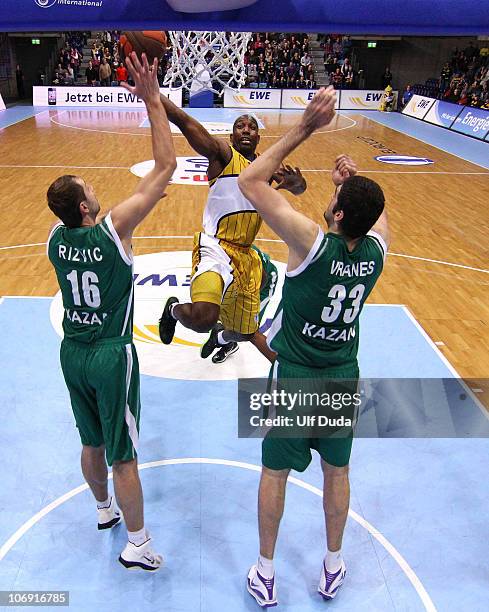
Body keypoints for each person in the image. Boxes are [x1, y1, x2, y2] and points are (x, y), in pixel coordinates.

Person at [237, 87, 390, 606]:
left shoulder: (310, 241)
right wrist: (352, 187)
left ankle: (265, 570)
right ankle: (332, 563)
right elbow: (379, 223)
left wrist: (305, 127)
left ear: (340, 216)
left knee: (274, 471)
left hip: (298, 374)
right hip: (342, 375)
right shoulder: (375, 254)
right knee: (338, 471)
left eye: (337, 202)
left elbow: (250, 180)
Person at [46, 53, 176, 571]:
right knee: (124, 453)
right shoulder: (111, 228)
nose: (95, 188)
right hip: (108, 355)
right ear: (84, 207)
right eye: (88, 189)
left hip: (71, 352)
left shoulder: (57, 237)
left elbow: (113, 225)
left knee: (90, 439)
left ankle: (104, 511)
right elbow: (164, 167)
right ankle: (139, 543)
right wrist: (151, 99)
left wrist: (135, 217)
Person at [156, 95, 305, 357]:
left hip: (246, 254)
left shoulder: (266, 168)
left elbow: (300, 188)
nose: (246, 130)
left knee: (245, 333)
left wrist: (296, 185)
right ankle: (172, 310)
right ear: (232, 136)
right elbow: (186, 121)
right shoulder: (223, 155)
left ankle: (222, 336)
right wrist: (153, 96)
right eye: (240, 126)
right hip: (215, 248)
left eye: (252, 127)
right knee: (203, 318)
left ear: (259, 138)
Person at [211, 244, 279, 363]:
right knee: (228, 314)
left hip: (263, 284)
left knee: (249, 331)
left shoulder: (247, 251)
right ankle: (228, 343)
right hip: (244, 282)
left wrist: (246, 302)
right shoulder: (216, 247)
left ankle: (282, 366)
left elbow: (263, 278)